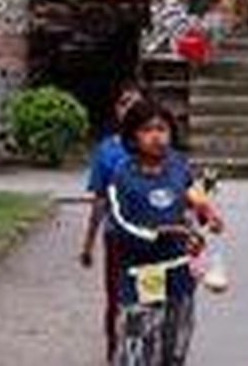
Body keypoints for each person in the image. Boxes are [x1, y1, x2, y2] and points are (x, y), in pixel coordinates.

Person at [107, 99, 223, 366]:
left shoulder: (178, 167)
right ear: (133, 137)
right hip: (143, 276)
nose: (156, 136)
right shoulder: (122, 177)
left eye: (162, 129)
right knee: (139, 352)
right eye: (147, 130)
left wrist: (206, 219)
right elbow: (119, 226)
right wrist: (161, 233)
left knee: (175, 352)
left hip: (180, 276)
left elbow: (193, 200)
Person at [80, 82, 145, 360]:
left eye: (135, 103)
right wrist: (88, 244)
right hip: (117, 237)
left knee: (149, 296)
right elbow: (99, 200)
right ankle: (114, 349)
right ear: (116, 110)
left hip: (153, 239)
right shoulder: (106, 151)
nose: (129, 108)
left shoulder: (157, 143)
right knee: (117, 296)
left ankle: (147, 346)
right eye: (124, 103)